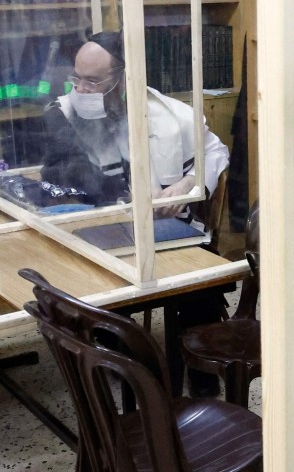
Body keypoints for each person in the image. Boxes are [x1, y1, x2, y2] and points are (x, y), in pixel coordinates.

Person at [40, 31, 230, 396]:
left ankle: (198, 364)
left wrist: (188, 182)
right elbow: (61, 180)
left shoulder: (170, 115)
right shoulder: (62, 115)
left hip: (165, 228)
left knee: (202, 276)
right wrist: (127, 199)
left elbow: (215, 153)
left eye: (93, 81)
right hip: (97, 227)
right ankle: (125, 363)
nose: (81, 89)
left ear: (125, 78)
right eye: (76, 78)